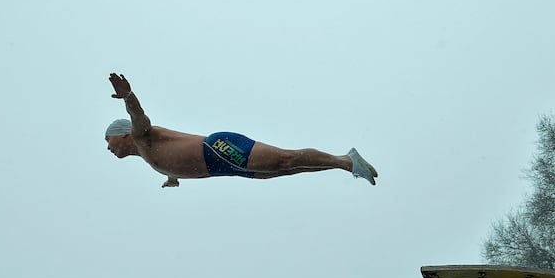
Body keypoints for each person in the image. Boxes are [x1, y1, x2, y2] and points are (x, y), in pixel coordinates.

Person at [104, 73, 377, 187]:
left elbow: (138, 116)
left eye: (109, 140)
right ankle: (346, 163)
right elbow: (172, 164)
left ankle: (347, 161)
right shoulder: (151, 159)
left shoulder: (141, 137)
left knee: (285, 159)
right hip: (225, 166)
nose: (108, 147)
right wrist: (172, 177)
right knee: (285, 169)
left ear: (123, 134)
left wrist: (129, 96)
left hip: (218, 149)